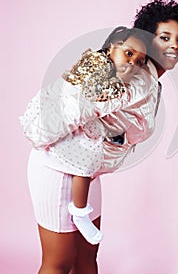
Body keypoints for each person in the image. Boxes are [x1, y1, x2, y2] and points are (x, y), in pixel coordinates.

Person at [24, 0, 178, 274]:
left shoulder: (148, 78)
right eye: (164, 37)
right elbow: (79, 102)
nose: (174, 46)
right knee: (59, 263)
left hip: (86, 170)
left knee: (86, 259)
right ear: (147, 38)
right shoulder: (132, 78)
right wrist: (39, 132)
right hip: (56, 166)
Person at [20, 27, 156, 247]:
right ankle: (79, 211)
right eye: (128, 54)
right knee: (86, 158)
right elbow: (87, 97)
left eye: (139, 61)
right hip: (58, 151)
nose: (132, 63)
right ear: (112, 47)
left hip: (85, 137)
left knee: (89, 160)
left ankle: (80, 210)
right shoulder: (97, 65)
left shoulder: (129, 82)